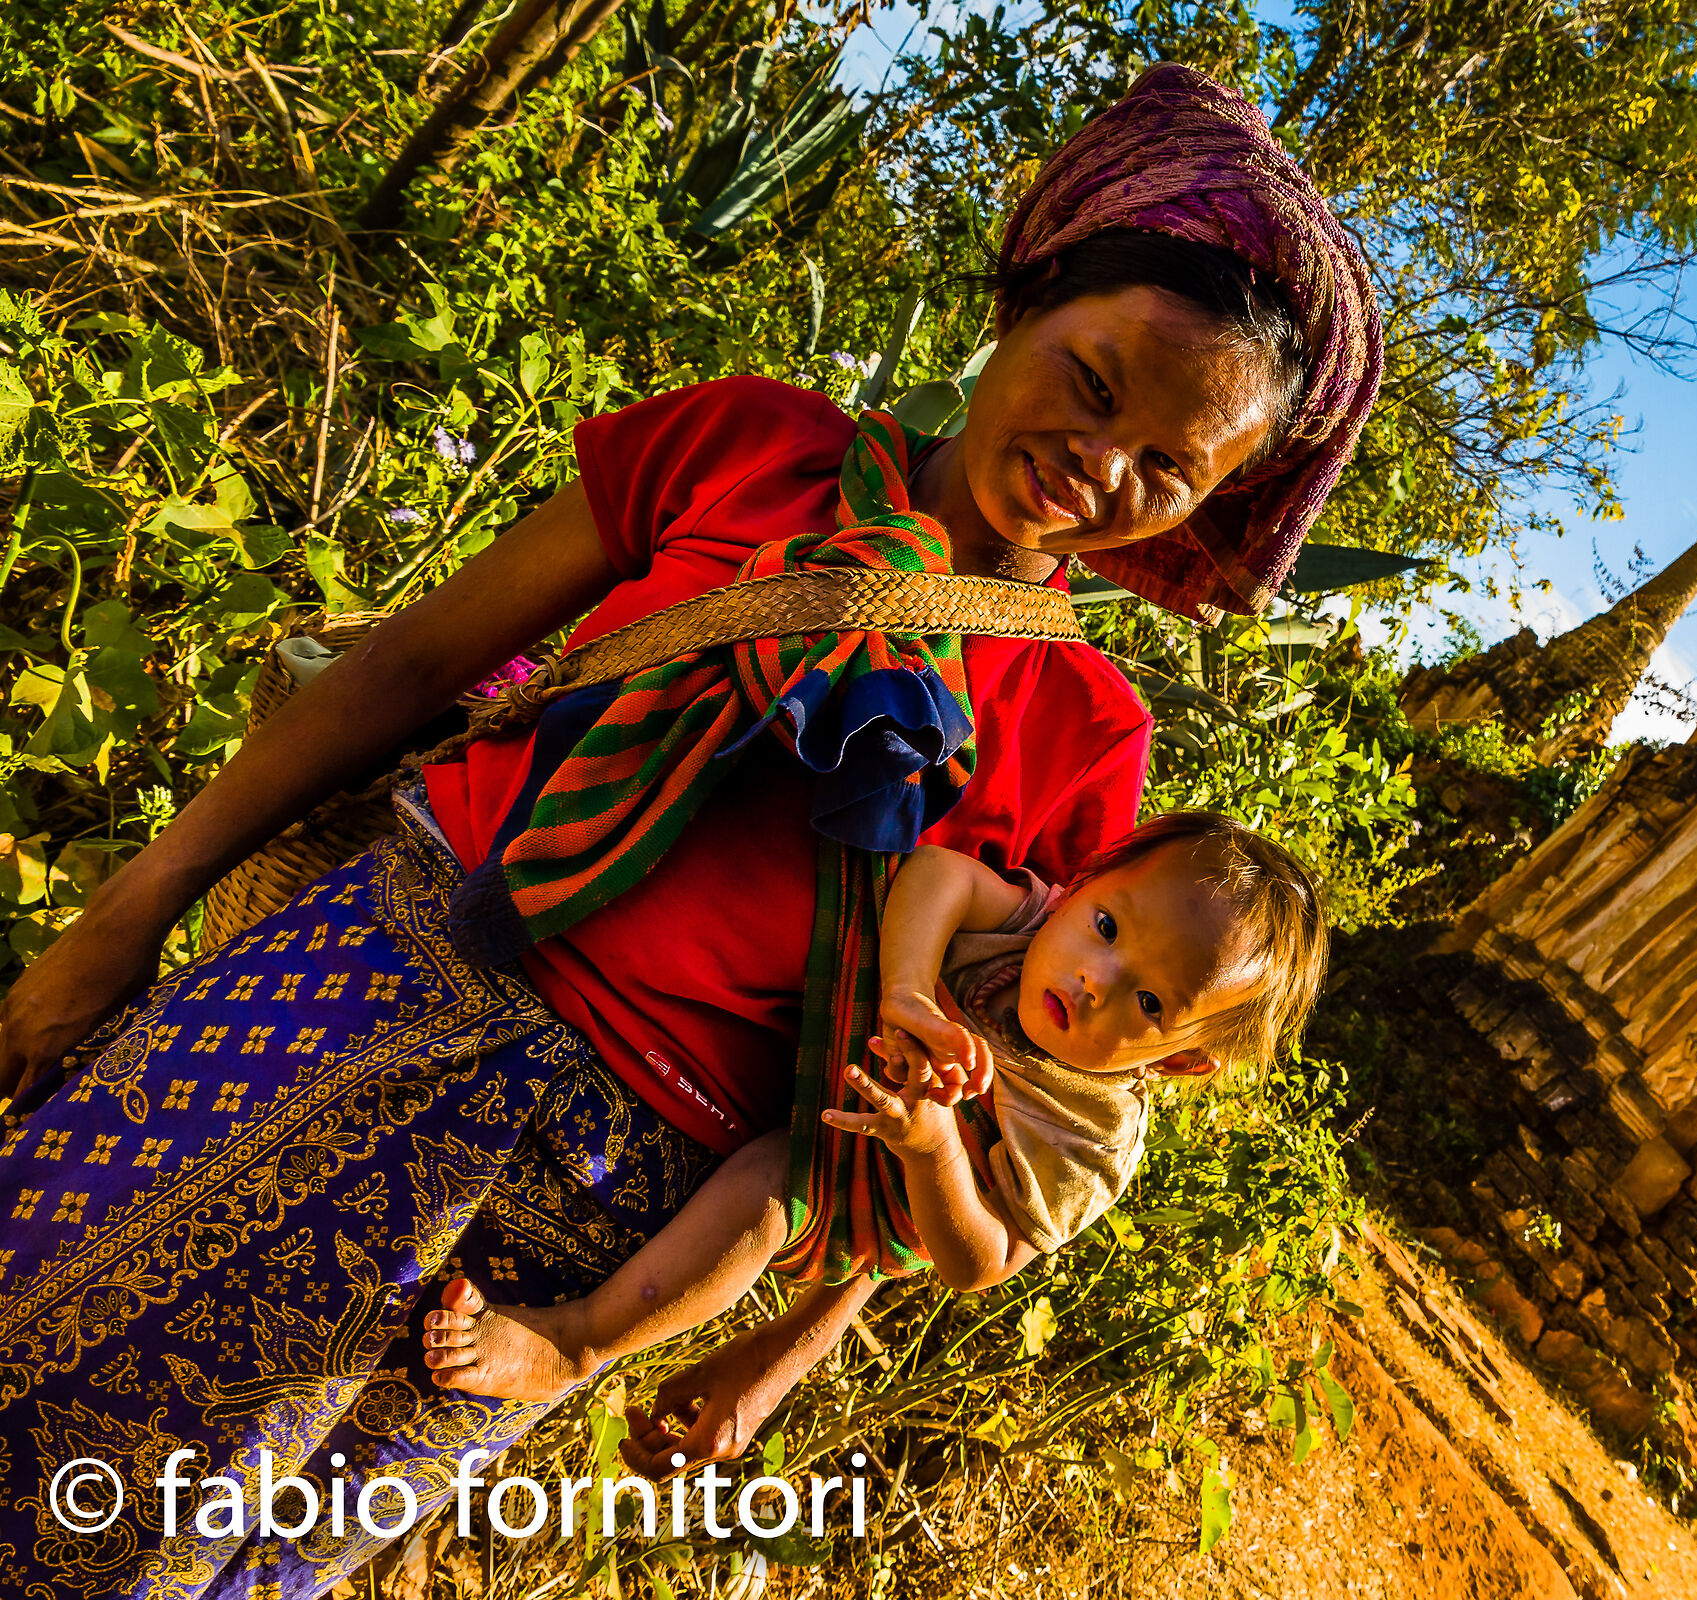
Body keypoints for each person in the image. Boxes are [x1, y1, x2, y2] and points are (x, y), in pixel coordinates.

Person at [0, 63, 1380, 1600]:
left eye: (1168, 469)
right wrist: (130, 905)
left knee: (188, 1555)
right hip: (347, 996)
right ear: (1032, 298)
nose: (1099, 461)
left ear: (1198, 509)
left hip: (579, 1223)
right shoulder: (747, 447)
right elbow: (407, 667)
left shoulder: (1085, 734)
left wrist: (774, 1362)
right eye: (1095, 377)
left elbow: (938, 1095)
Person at [416, 813, 1326, 1405]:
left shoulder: (1089, 1133)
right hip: (822, 1055)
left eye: (1153, 1003)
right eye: (1109, 927)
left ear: (1184, 1060)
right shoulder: (1029, 920)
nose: (1096, 980)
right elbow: (937, 873)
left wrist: (931, 1145)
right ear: (1087, 882)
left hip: (858, 1190)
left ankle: (579, 1341)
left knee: (770, 1192)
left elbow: (981, 1260)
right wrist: (909, 989)